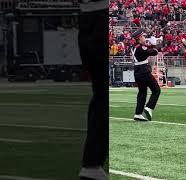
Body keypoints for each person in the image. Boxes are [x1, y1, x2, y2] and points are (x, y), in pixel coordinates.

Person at [78, 0, 108, 179]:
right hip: (101, 17)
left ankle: (92, 163)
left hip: (88, 18)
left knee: (101, 95)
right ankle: (92, 163)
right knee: (104, 95)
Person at [131, 28, 161, 121]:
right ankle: (149, 108)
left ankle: (138, 113)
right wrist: (154, 44)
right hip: (144, 71)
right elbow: (154, 52)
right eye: (143, 36)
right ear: (139, 38)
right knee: (156, 90)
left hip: (137, 72)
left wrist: (150, 44)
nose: (145, 37)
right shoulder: (141, 47)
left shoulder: (134, 46)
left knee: (142, 93)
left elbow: (146, 48)